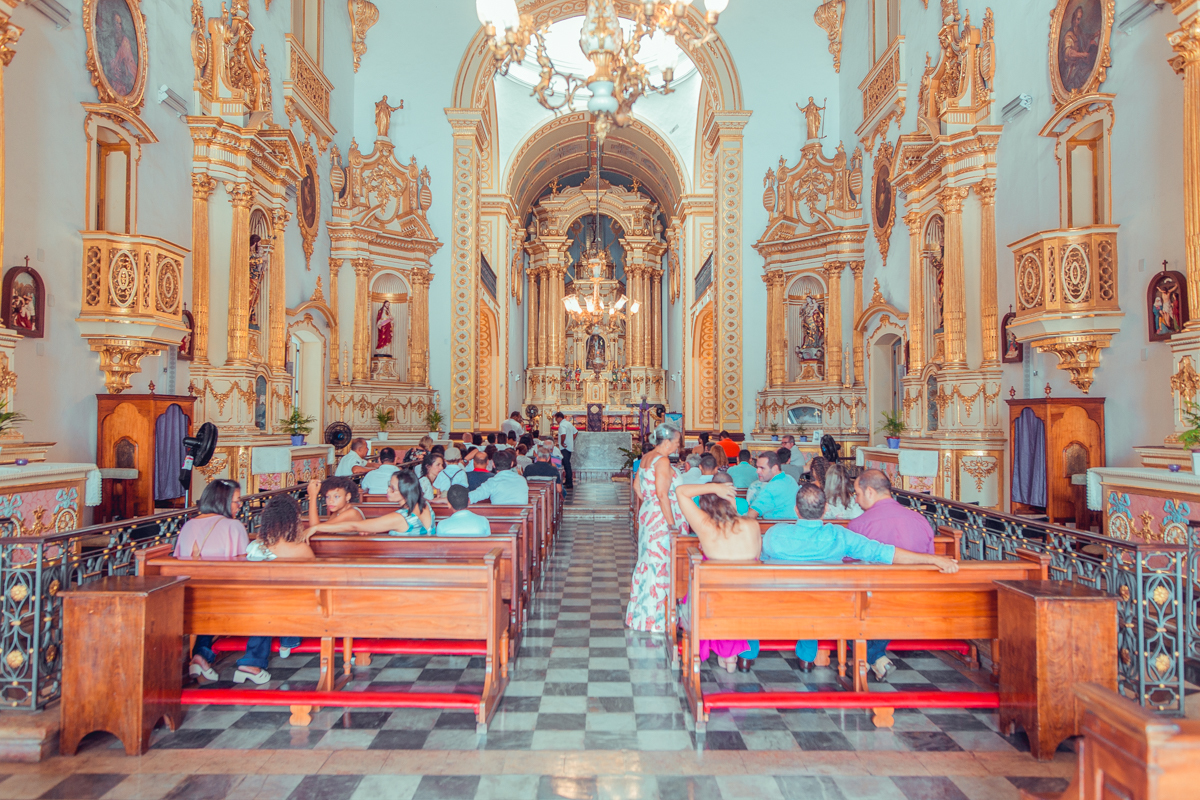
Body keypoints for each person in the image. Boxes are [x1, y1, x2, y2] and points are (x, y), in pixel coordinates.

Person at [737, 483, 956, 677]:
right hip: (825, 607)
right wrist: (931, 558)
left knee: (761, 596)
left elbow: (759, 563)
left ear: (796, 510)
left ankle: (747, 654)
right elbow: (884, 553)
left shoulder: (775, 533)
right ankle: (806, 658)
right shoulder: (839, 535)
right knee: (810, 601)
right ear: (825, 510)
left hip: (777, 603)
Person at [174, 480, 272, 685]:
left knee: (207, 600)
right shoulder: (232, 525)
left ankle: (200, 655)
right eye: (237, 501)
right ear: (223, 501)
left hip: (188, 598)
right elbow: (246, 568)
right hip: (226, 599)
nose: (239, 505)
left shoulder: (188, 525)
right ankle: (252, 662)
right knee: (266, 603)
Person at [674, 479, 761, 673]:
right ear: (731, 500)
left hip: (713, 601)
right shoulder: (752, 525)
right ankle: (729, 655)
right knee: (733, 593)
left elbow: (681, 491)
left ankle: (721, 653)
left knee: (707, 590)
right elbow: (758, 558)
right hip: (746, 600)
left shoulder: (706, 525)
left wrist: (714, 488)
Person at [626, 423, 686, 634]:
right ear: (667, 441)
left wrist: (649, 502)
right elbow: (662, 494)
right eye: (677, 442)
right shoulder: (661, 461)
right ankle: (657, 619)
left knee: (648, 561)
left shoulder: (646, 458)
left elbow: (636, 487)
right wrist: (671, 525)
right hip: (661, 518)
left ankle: (642, 616)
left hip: (649, 514)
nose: (678, 446)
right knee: (660, 563)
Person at [309, 470, 435, 537]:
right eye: (388, 486)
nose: (387, 490)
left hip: (407, 567)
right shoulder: (424, 505)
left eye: (392, 488)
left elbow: (355, 526)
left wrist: (316, 527)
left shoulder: (400, 517)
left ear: (405, 492)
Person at [747, 451, 799, 520]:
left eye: (762, 468)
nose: (757, 471)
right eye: (757, 467)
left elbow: (750, 515)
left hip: (776, 528)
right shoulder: (790, 479)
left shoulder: (771, 488)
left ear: (775, 469)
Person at [555, 411, 577, 489]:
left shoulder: (562, 425)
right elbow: (576, 432)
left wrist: (562, 442)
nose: (556, 421)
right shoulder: (569, 423)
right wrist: (571, 440)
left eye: (556, 418)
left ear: (559, 418)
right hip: (569, 446)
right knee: (566, 463)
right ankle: (567, 481)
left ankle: (569, 483)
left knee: (567, 464)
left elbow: (563, 434)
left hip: (564, 447)